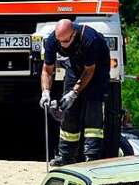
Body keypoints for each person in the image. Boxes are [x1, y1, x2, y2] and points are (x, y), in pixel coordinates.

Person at [40, 19, 111, 166]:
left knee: (93, 115)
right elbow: (47, 69)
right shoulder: (53, 40)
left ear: (74, 34)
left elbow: (89, 71)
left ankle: (92, 158)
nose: (63, 44)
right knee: (69, 113)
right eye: (60, 41)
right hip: (74, 66)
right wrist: (46, 92)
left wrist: (74, 93)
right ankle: (65, 157)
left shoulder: (90, 39)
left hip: (97, 71)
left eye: (66, 41)